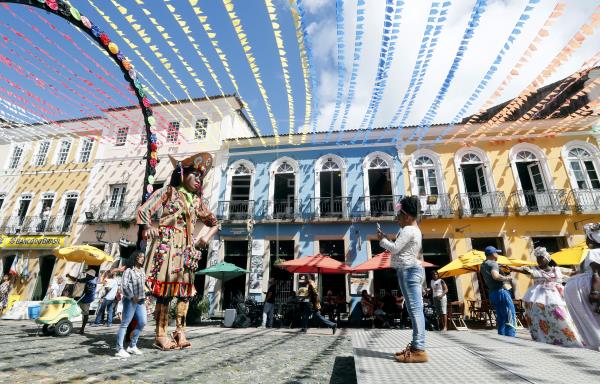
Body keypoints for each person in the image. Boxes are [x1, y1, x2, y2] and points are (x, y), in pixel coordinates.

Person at [138, 152, 219, 350]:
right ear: (183, 174)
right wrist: (149, 228)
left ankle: (180, 332)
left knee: (185, 293)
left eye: (201, 177)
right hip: (168, 245)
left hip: (188, 248)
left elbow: (215, 223)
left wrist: (205, 239)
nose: (199, 180)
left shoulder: (198, 201)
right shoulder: (169, 192)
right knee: (165, 291)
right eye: (195, 175)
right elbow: (144, 210)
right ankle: (160, 334)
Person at [378, 195, 427, 363]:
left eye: (399, 216)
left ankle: (419, 349)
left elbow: (395, 249)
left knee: (414, 310)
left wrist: (382, 240)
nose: (397, 219)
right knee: (415, 309)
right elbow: (401, 248)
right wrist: (387, 239)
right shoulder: (415, 230)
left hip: (408, 270)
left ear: (407, 216)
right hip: (410, 269)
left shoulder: (408, 230)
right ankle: (415, 347)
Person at [510, 247, 582, 347]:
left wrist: (585, 269)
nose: (539, 260)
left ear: (547, 258)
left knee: (560, 315)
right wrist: (511, 268)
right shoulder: (534, 270)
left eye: (541, 258)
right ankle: (543, 339)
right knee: (538, 317)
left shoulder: (556, 269)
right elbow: (523, 270)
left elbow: (572, 272)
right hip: (537, 298)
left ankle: (568, 338)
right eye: (537, 258)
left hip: (556, 297)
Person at [564, 223, 600, 350]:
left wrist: (594, 292)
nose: (585, 240)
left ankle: (596, 341)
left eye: (587, 237)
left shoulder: (594, 252)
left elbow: (596, 273)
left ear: (592, 238)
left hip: (590, 289)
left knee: (592, 319)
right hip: (588, 287)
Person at [115, 251, 148, 358]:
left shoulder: (142, 271)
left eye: (143, 257)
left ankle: (132, 346)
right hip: (130, 300)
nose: (142, 259)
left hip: (141, 300)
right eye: (140, 257)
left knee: (143, 322)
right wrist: (131, 296)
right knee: (125, 323)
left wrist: (147, 292)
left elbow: (143, 285)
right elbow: (123, 286)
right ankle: (119, 348)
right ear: (135, 258)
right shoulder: (128, 271)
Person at [480, 246, 516, 337]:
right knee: (509, 315)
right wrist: (507, 277)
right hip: (501, 292)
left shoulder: (483, 265)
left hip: (492, 293)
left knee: (501, 317)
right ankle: (511, 338)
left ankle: (502, 337)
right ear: (492, 254)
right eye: (497, 253)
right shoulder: (493, 263)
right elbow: (495, 276)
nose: (498, 254)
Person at [66, 269, 97, 334]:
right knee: (71, 308)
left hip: (86, 300)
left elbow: (88, 291)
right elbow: (78, 280)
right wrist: (69, 276)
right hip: (81, 297)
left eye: (88, 274)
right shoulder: (88, 279)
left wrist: (69, 276)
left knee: (85, 314)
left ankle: (82, 329)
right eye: (87, 274)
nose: (86, 275)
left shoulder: (91, 282)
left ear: (91, 275)